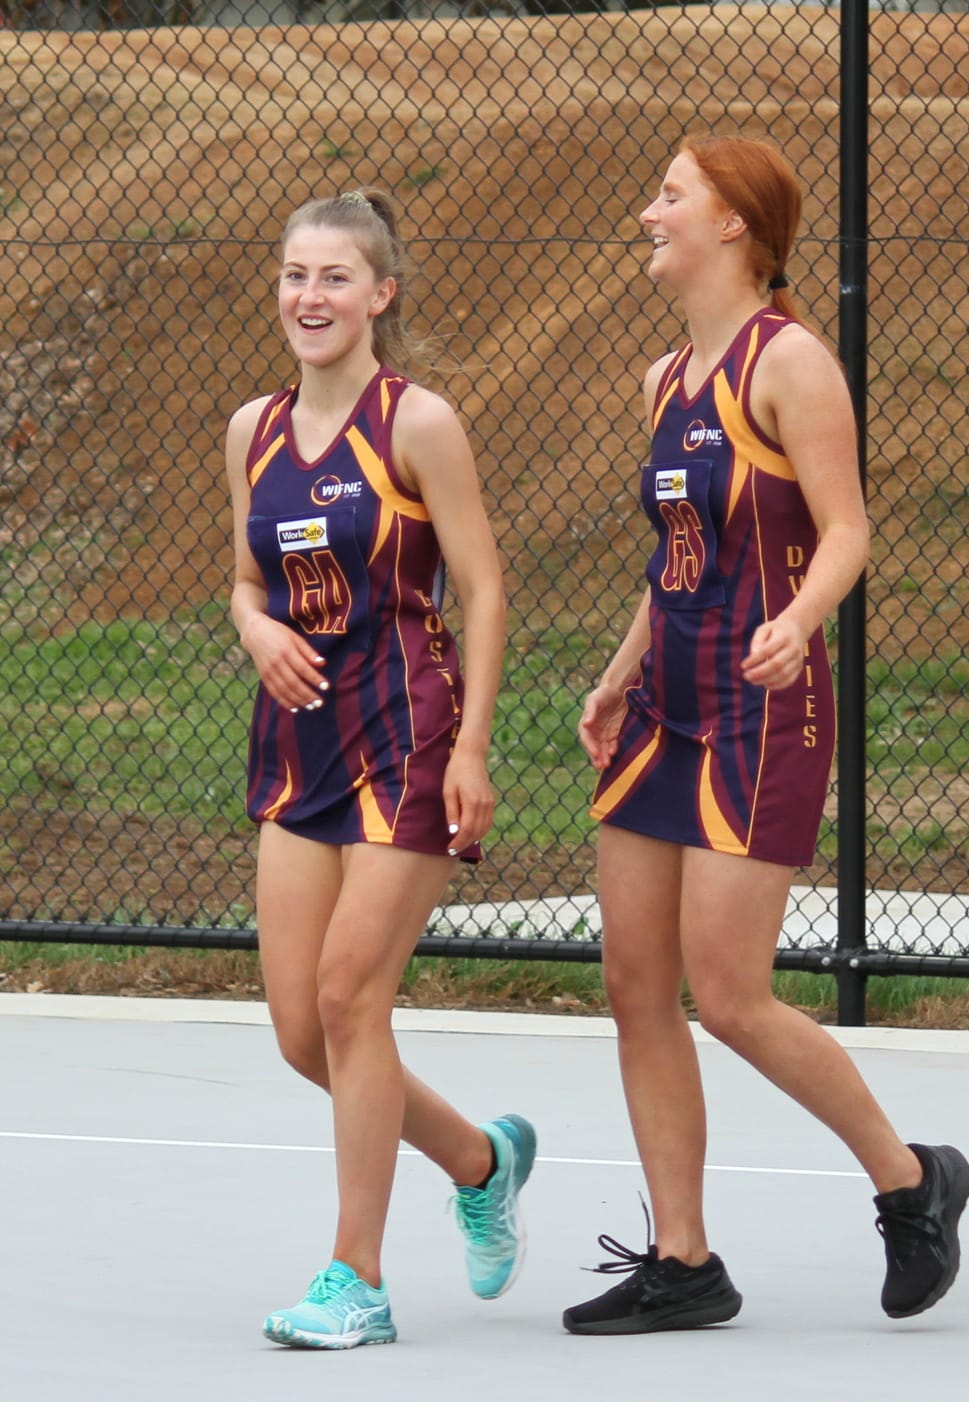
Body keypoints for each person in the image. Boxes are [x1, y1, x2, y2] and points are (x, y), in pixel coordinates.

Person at [562, 134, 969, 1336]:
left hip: (761, 702)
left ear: (734, 222)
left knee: (730, 994)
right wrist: (617, 670)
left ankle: (909, 1179)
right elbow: (674, 557)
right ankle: (684, 1259)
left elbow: (845, 530)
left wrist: (797, 621)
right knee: (636, 985)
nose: (650, 211)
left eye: (670, 194)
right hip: (666, 705)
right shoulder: (662, 380)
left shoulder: (788, 363)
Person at [224, 187, 527, 1348]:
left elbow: (485, 589)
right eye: (297, 275)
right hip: (299, 738)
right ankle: (479, 1158)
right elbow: (248, 580)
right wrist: (254, 628)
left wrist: (476, 745)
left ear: (380, 294)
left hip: (406, 729)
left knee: (353, 996)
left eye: (336, 277)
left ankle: (357, 1277)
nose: (311, 297)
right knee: (304, 1031)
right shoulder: (252, 429)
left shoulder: (418, 422)